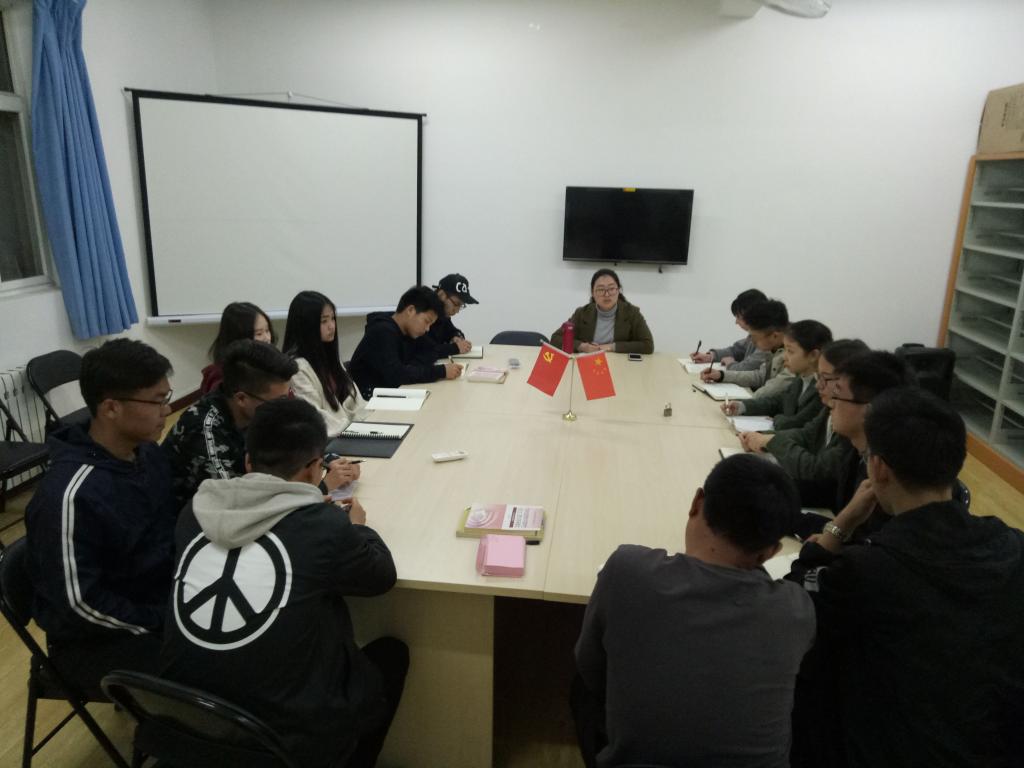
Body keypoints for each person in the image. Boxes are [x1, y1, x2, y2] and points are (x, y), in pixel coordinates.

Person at [160, 398, 408, 768]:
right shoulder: (323, 525)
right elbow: (381, 576)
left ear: (248, 462)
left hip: (185, 724)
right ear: (314, 469)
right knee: (390, 655)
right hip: (280, 744)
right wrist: (357, 528)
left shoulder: (194, 514)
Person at [786, 388, 1024, 768]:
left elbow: (792, 604)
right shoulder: (1014, 545)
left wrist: (840, 525)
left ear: (878, 468)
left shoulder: (868, 570)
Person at [572, 454, 815, 768]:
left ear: (697, 502)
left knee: (582, 687)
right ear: (771, 552)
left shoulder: (627, 571)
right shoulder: (796, 610)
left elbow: (589, 666)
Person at [25, 339, 177, 697]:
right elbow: (79, 605)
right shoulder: (71, 495)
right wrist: (161, 622)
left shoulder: (147, 454)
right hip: (93, 641)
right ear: (111, 408)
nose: (168, 409)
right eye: (157, 401)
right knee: (217, 666)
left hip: (154, 601)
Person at [163, 339, 360, 511]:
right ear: (241, 398)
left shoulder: (260, 409)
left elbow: (296, 441)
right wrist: (321, 487)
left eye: (288, 396)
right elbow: (240, 508)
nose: (285, 407)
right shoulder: (204, 430)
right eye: (279, 400)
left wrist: (329, 461)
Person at [740, 339, 867, 512]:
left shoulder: (854, 433)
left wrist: (771, 441)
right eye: (818, 377)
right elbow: (806, 434)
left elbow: (816, 469)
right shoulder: (828, 406)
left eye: (826, 379)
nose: (818, 385)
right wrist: (762, 438)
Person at [348, 285, 463, 399]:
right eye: (426, 321)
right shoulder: (382, 331)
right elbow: (397, 375)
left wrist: (416, 369)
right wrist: (441, 371)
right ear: (410, 310)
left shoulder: (409, 331)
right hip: (368, 401)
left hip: (393, 393)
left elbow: (431, 351)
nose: (427, 329)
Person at [283, 290, 367, 436]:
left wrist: (370, 421)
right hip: (326, 440)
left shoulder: (330, 358)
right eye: (324, 321)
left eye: (333, 319)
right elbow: (313, 415)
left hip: (350, 434)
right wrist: (352, 429)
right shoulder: (297, 368)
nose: (332, 326)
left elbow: (356, 400)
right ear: (306, 325)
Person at [724, 319, 832, 430]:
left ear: (813, 355)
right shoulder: (800, 378)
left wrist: (776, 418)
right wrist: (742, 406)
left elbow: (796, 424)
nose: (784, 357)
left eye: (790, 351)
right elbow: (777, 403)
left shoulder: (822, 390)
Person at [550, 268, 654, 354]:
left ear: (618, 290)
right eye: (600, 290)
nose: (607, 294)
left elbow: (648, 345)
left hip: (620, 365)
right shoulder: (582, 313)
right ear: (593, 293)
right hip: (589, 363)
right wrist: (582, 346)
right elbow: (555, 339)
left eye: (611, 289)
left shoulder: (632, 313)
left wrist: (611, 347)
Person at [702, 298, 790, 393]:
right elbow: (760, 376)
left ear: (774, 336)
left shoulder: (791, 356)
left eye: (754, 337)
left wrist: (749, 401)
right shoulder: (774, 347)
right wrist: (721, 375)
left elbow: (773, 390)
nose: (752, 341)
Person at [201, 301, 275, 394]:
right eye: (259, 334)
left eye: (267, 330)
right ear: (239, 338)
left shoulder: (266, 362)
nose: (267, 338)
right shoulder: (220, 378)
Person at [691, 288, 768, 371]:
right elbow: (737, 350)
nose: (736, 322)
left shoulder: (768, 339)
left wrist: (730, 364)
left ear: (752, 315)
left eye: (738, 317)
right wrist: (710, 356)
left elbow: (747, 368)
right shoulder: (756, 334)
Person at [424, 273, 478, 357]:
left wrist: (456, 337)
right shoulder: (423, 312)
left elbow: (453, 331)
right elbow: (424, 350)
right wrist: (455, 348)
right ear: (442, 295)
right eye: (456, 304)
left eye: (461, 306)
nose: (457, 311)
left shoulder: (443, 315)